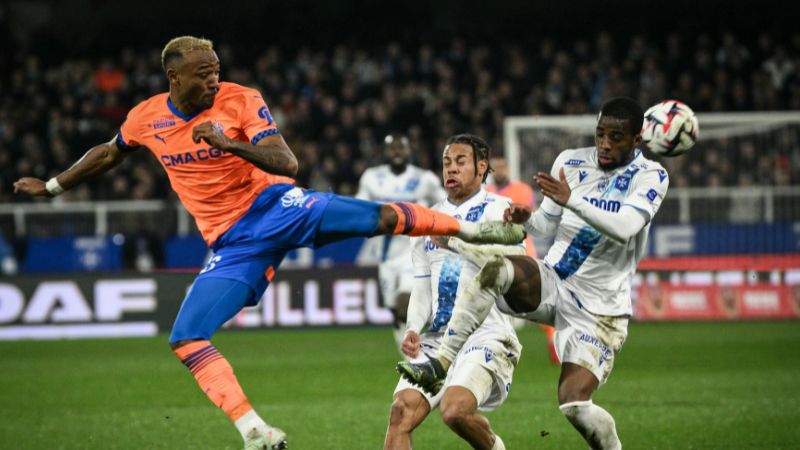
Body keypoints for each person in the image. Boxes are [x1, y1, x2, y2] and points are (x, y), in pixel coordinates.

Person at [13, 36, 525, 450]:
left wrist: (229, 142)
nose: (214, 77)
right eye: (203, 72)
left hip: (278, 208)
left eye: (216, 68)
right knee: (186, 336)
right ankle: (255, 432)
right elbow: (109, 152)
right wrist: (54, 185)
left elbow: (287, 164)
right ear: (174, 77)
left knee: (380, 217)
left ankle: (473, 229)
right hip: (234, 245)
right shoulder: (147, 116)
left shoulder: (241, 100)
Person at [398, 97, 669, 450]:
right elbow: (543, 226)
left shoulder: (652, 176)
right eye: (600, 134)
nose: (604, 143)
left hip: (600, 308)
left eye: (616, 137)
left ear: (636, 140)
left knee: (574, 404)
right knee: (498, 270)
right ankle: (443, 361)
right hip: (553, 282)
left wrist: (573, 200)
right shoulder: (571, 162)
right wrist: (526, 219)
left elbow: (624, 226)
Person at [385, 134, 523, 450]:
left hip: (484, 335)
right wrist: (413, 328)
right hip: (436, 341)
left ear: (482, 167)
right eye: (447, 162)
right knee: (400, 413)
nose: (452, 169)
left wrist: (457, 243)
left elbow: (513, 268)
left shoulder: (500, 211)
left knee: (455, 411)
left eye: (461, 162)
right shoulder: (427, 220)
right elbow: (422, 285)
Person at [357, 133, 446, 352]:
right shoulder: (371, 177)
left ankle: (423, 354)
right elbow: (359, 207)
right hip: (385, 255)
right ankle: (410, 353)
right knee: (395, 311)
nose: (397, 152)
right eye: (392, 148)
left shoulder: (425, 179)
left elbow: (445, 203)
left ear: (409, 151)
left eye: (401, 148)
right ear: (385, 152)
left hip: (414, 252)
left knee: (405, 303)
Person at [488, 156, 559, 365]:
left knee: (537, 299)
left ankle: (553, 336)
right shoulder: (486, 193)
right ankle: (498, 348)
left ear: (508, 168)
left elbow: (530, 216)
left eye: (503, 166)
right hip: (496, 252)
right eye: (496, 167)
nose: (500, 170)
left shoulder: (522, 190)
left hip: (522, 251)